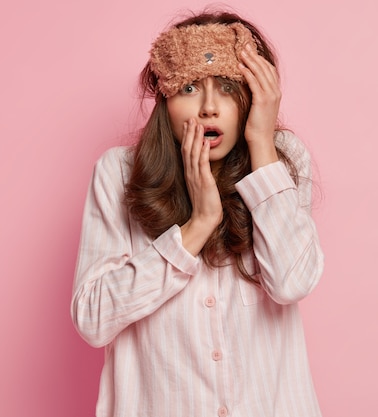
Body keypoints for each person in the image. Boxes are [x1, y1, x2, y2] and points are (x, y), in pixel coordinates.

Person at [71, 9, 324, 417]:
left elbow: (292, 282)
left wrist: (261, 142)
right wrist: (196, 227)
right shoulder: (118, 173)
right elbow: (92, 318)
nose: (209, 107)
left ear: (253, 95)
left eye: (226, 87)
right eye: (189, 87)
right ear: (165, 99)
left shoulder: (284, 160)